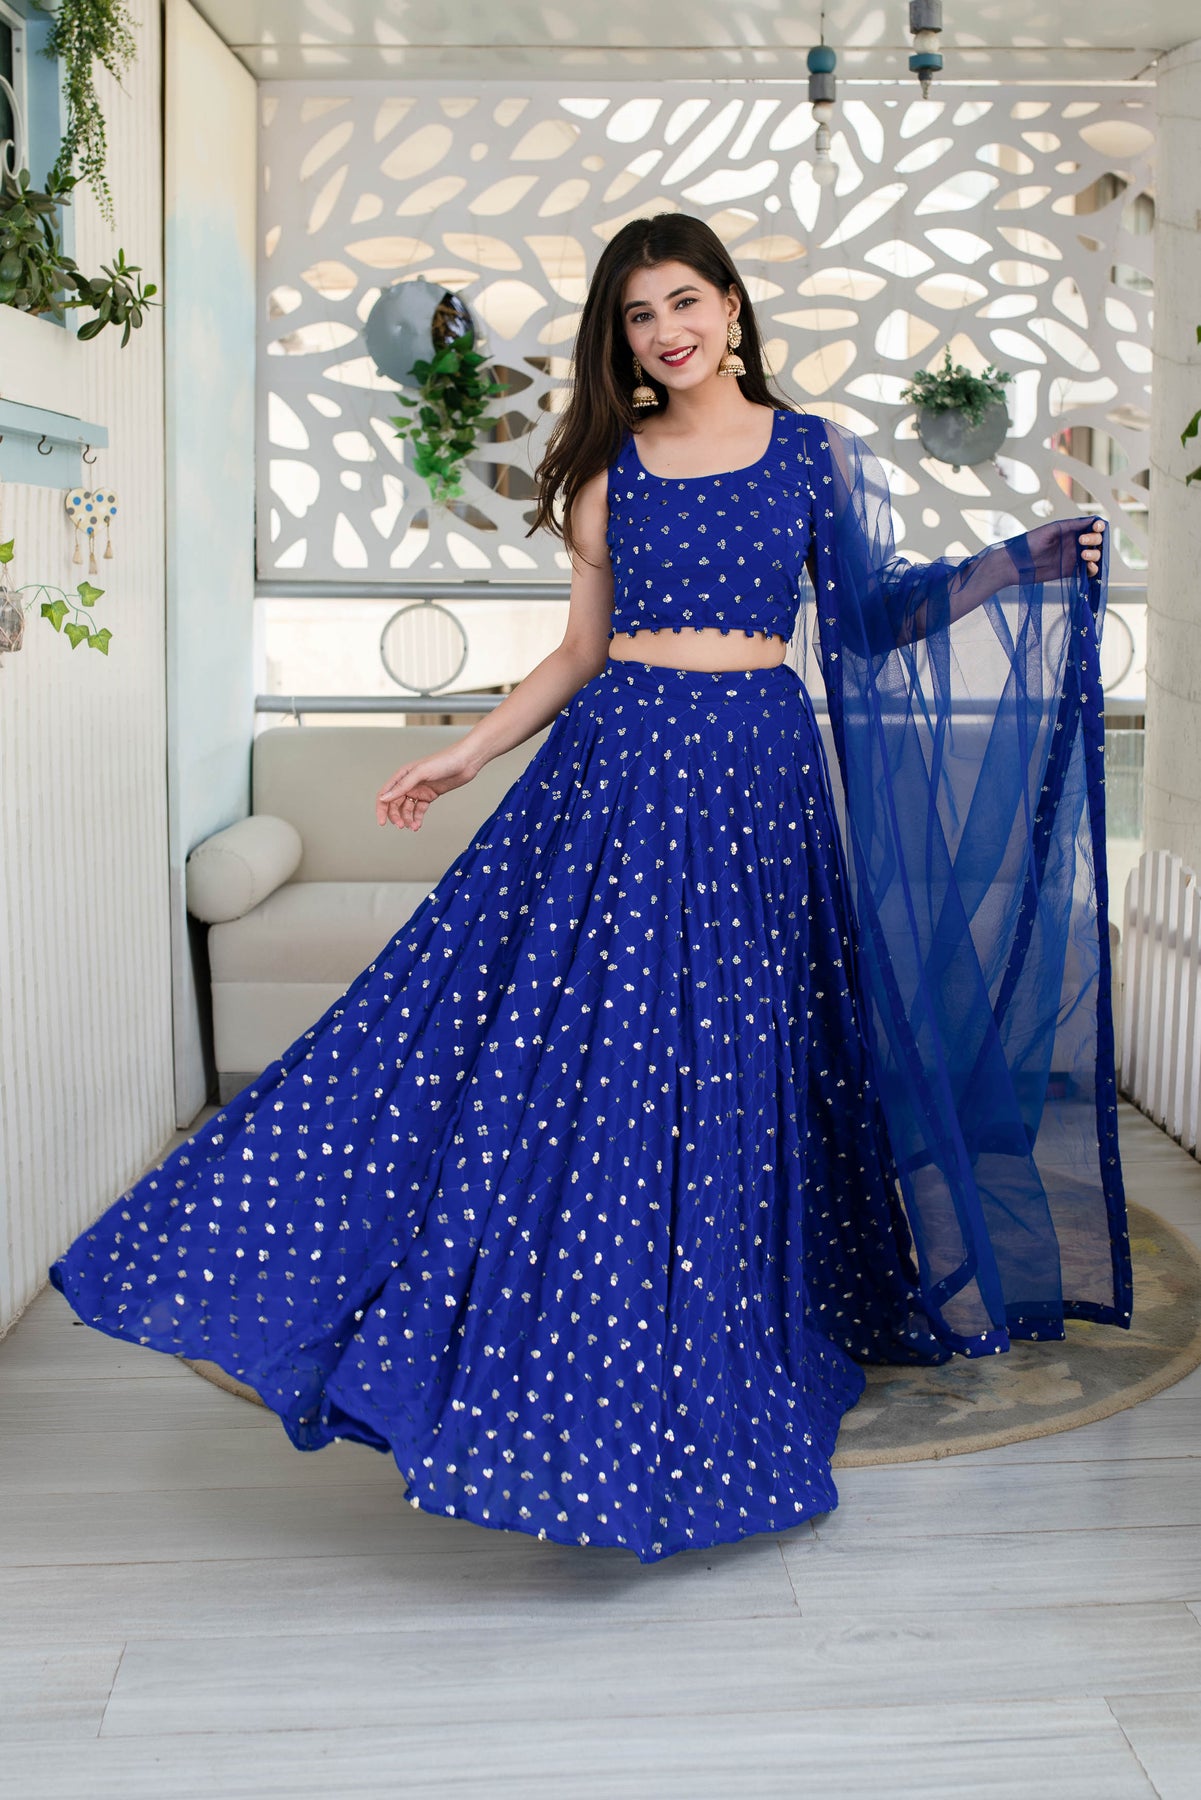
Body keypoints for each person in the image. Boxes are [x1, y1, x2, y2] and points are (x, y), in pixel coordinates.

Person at [49, 213, 1129, 1564]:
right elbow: (577, 650)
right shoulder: (612, 468)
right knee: (583, 1045)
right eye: (636, 313)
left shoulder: (817, 453)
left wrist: (1018, 563)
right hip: (619, 768)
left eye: (684, 301)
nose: (665, 330)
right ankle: (578, 1297)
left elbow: (869, 619)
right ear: (618, 337)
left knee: (742, 1054)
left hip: (758, 781)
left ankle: (725, 1297)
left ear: (731, 307)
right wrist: (465, 752)